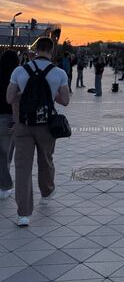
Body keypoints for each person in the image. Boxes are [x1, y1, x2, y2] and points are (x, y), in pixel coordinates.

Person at [6, 37, 70, 226]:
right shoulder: (59, 73)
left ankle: (23, 214)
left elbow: (9, 98)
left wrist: (23, 93)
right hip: (47, 125)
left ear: (35, 50)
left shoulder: (19, 71)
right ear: (51, 51)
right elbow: (65, 100)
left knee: (22, 168)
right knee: (46, 160)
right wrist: (50, 94)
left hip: (23, 124)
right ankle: (47, 192)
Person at [0, 49, 19, 199]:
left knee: (3, 154)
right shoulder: (17, 76)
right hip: (8, 117)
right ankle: (5, 185)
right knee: (5, 153)